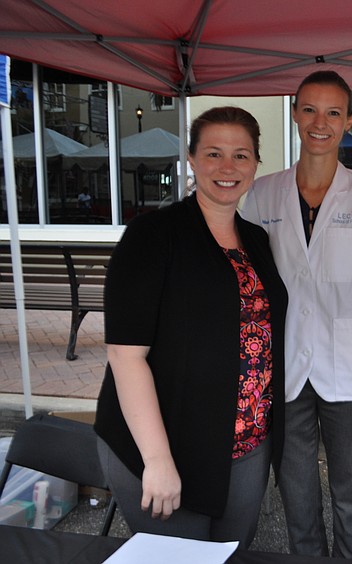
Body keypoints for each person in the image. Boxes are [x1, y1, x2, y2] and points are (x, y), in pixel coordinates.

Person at [94, 106, 288, 547]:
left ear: (257, 162)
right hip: (169, 447)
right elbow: (126, 355)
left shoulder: (256, 239)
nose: (227, 167)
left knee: (232, 554)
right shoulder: (153, 236)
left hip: (245, 446)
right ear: (193, 158)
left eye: (241, 155)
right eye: (214, 153)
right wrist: (157, 460)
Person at [240, 71, 352, 558]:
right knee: (297, 498)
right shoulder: (262, 194)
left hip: (350, 372)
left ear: (350, 118)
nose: (320, 123)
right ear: (294, 113)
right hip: (282, 369)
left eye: (333, 112)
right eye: (309, 109)